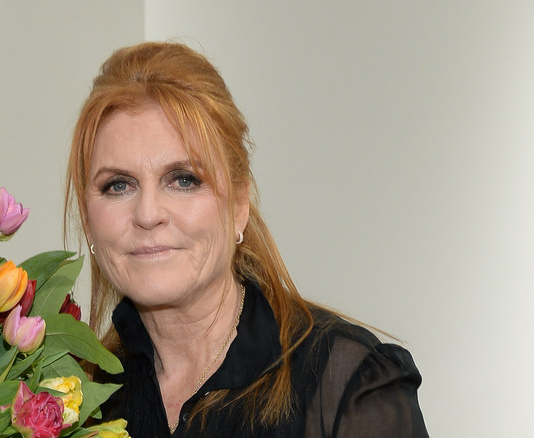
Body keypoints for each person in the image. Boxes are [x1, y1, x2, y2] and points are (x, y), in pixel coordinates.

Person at [64, 41, 429, 437]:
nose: (148, 214)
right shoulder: (72, 401)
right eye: (118, 185)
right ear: (88, 217)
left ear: (239, 203)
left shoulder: (347, 387)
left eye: (184, 180)